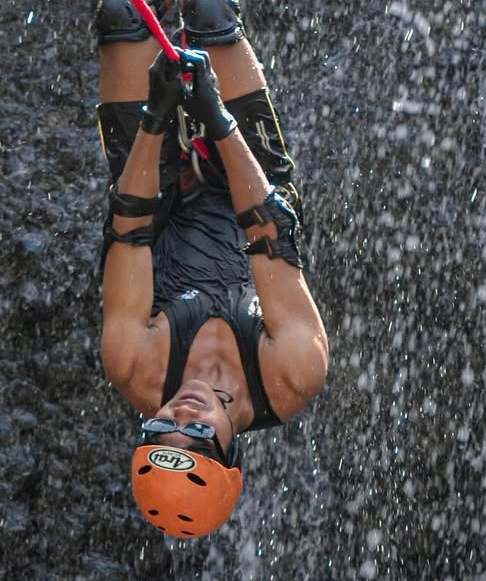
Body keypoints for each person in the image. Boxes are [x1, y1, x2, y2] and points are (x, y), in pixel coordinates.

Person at [94, 0, 329, 538]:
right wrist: (218, 120)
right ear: (229, 453)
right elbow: (270, 231)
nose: (183, 414)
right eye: (197, 436)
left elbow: (129, 227)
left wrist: (157, 117)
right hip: (251, 191)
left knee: (119, 19)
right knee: (211, 16)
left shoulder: (135, 366)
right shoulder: (291, 375)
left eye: (161, 429)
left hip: (155, 197)